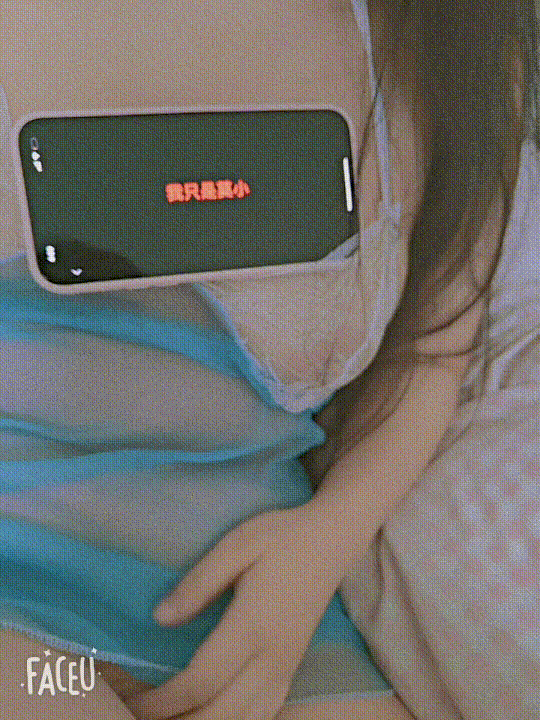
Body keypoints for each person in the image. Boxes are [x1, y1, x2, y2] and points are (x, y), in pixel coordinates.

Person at [0, 2, 537, 720]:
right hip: (23, 595)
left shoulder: (460, 49)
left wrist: (322, 543)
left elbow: (433, 354)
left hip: (277, 611)